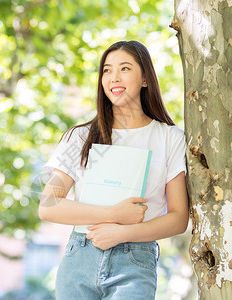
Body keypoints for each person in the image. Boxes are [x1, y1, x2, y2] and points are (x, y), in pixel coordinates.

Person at [39, 40, 189, 300]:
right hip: (80, 256)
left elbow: (178, 217)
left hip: (134, 259)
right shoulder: (81, 136)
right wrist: (112, 213)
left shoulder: (170, 138)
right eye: (107, 70)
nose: (113, 77)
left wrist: (123, 232)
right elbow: (48, 204)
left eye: (125, 69)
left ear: (145, 78)